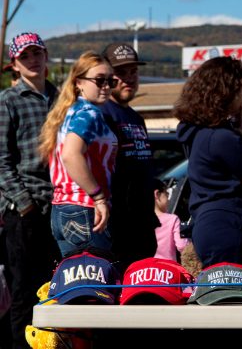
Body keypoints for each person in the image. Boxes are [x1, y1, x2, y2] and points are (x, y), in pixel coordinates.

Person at [174, 56, 242, 274]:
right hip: (229, 225)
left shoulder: (196, 132)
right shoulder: (219, 138)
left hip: (210, 224)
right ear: (224, 93)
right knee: (234, 296)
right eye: (239, 90)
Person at [0, 32, 61, 349]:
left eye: (38, 53)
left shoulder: (61, 98)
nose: (33, 60)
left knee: (55, 288)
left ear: (46, 56)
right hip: (24, 212)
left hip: (61, 209)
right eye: (26, 56)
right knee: (23, 291)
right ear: (15, 65)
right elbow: (1, 161)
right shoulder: (8, 101)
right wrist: (24, 205)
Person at [38, 51, 117, 257]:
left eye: (111, 80)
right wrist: (98, 197)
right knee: (94, 283)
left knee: (75, 281)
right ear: (79, 82)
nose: (106, 86)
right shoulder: (89, 113)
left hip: (62, 208)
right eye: (99, 80)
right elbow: (70, 155)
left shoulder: (68, 112)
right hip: (85, 208)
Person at [101, 42, 159, 272]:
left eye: (133, 71)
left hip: (142, 224)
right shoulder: (102, 113)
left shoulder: (136, 117)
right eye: (121, 72)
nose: (129, 78)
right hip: (117, 226)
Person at [152, 178, 190, 262]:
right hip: (169, 271)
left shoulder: (138, 223)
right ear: (157, 194)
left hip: (146, 272)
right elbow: (182, 246)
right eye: (166, 193)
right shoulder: (172, 219)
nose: (168, 199)